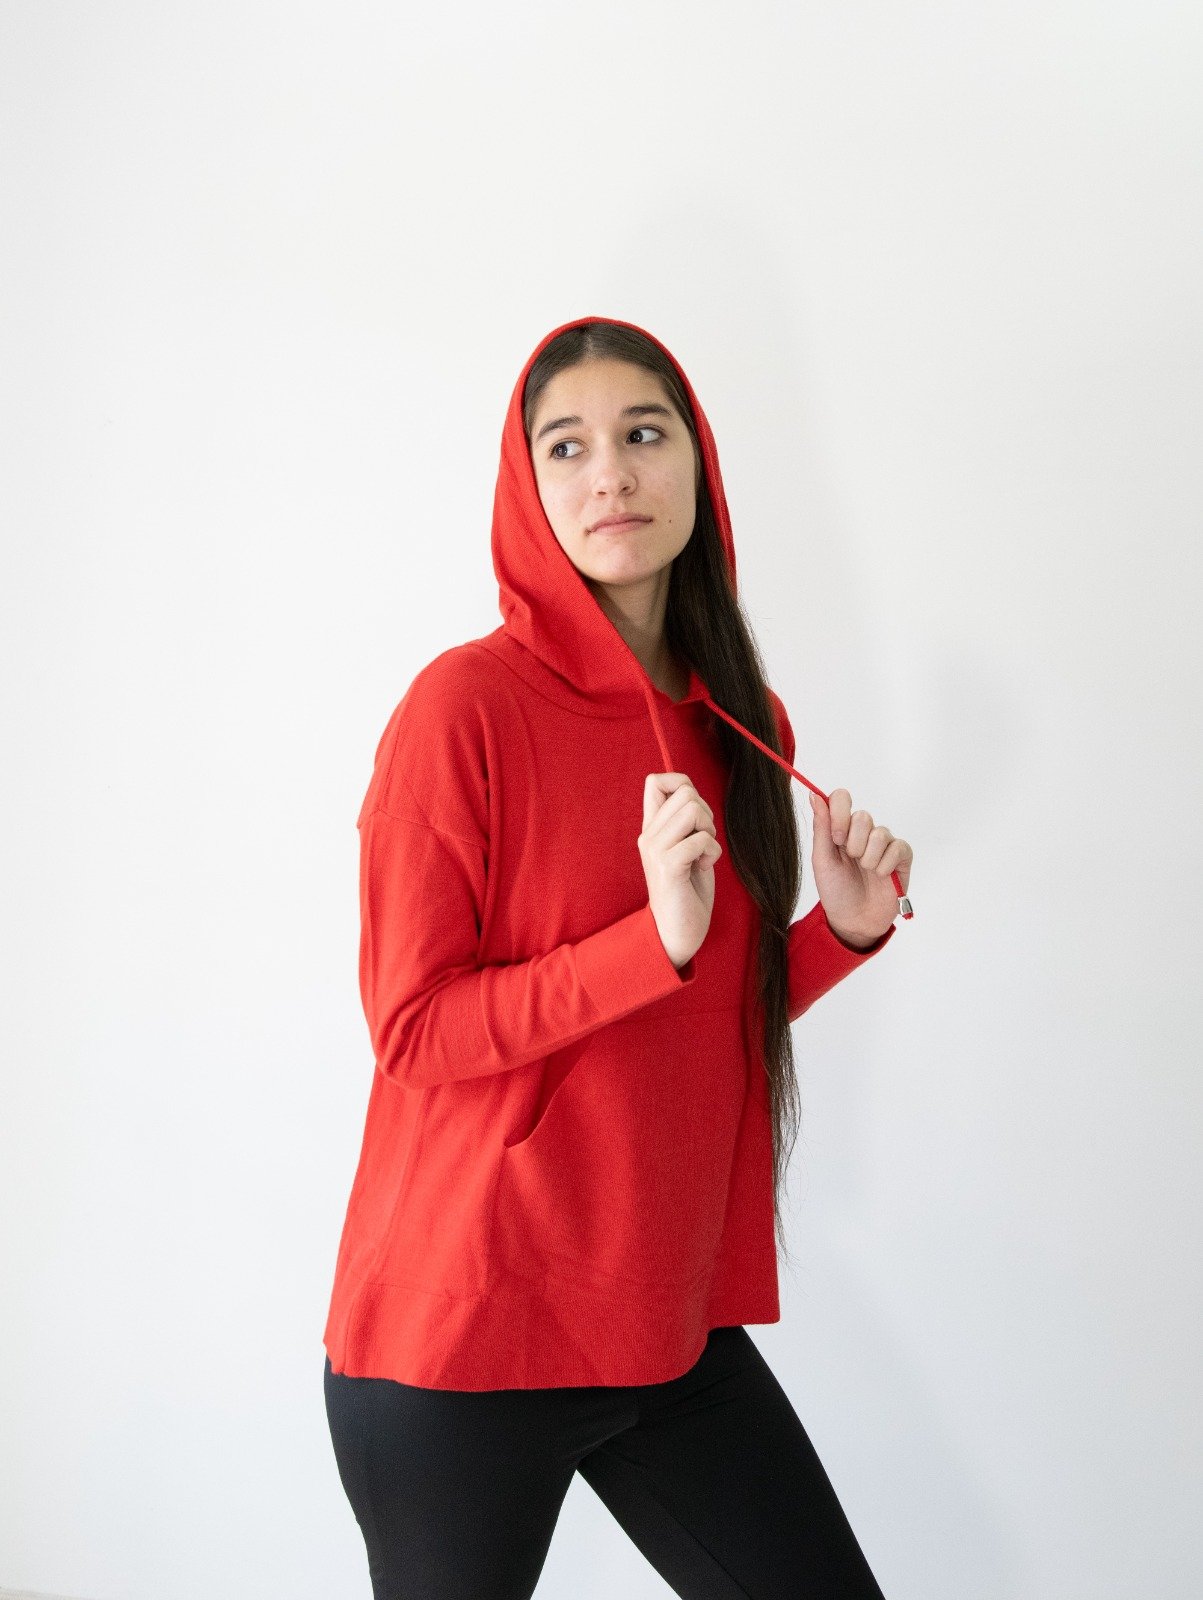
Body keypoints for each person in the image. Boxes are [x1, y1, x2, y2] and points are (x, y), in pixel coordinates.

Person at [322, 314, 915, 1598]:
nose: (611, 474)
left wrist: (842, 929)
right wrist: (649, 941)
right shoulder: (462, 710)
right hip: (463, 1334)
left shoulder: (740, 720)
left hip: (658, 1321)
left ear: (697, 462)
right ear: (525, 484)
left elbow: (693, 1010)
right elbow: (415, 1030)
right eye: (567, 445)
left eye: (643, 434)